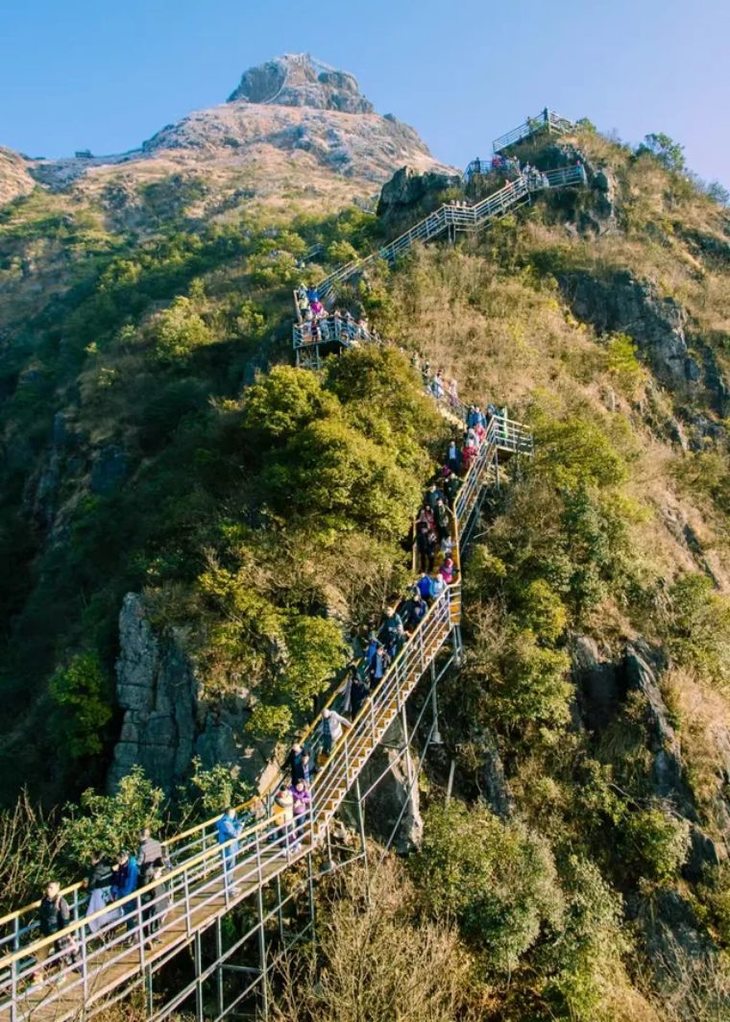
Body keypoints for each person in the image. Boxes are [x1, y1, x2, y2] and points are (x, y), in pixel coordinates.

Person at [33, 881, 77, 983]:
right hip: (45, 934)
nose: (49, 890)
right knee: (40, 958)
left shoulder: (61, 902)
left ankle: (62, 976)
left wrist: (65, 934)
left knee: (61, 957)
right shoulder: (44, 901)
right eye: (48, 887)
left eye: (52, 888)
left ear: (57, 889)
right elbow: (42, 918)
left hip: (57, 934)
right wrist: (41, 932)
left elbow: (65, 919)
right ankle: (38, 980)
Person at [85, 852, 121, 936]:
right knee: (111, 913)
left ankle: (105, 935)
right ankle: (111, 932)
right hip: (110, 892)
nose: (91, 861)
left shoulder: (96, 870)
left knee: (99, 915)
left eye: (92, 859)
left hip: (99, 895)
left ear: (96, 859)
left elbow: (91, 885)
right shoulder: (108, 866)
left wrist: (86, 887)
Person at [142, 860, 170, 947]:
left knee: (157, 917)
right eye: (159, 870)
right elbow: (148, 889)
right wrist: (155, 878)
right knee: (148, 919)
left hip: (157, 899)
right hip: (148, 900)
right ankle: (149, 940)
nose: (160, 872)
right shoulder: (147, 875)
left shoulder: (156, 873)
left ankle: (155, 937)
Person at [111, 850, 139, 932]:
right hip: (122, 893)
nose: (119, 862)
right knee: (127, 915)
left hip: (129, 895)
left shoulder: (131, 867)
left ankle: (133, 934)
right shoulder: (122, 866)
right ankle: (131, 933)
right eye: (118, 860)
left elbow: (130, 884)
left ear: (126, 857)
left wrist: (119, 894)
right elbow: (117, 880)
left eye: (121, 860)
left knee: (129, 915)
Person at [216, 808, 242, 892]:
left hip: (229, 848)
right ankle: (229, 888)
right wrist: (240, 826)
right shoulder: (226, 822)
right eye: (233, 813)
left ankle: (230, 886)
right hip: (228, 849)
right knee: (229, 867)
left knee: (230, 867)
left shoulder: (227, 821)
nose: (234, 815)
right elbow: (235, 834)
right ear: (229, 813)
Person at [289, 780, 312, 848]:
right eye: (297, 786)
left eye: (300, 786)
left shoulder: (305, 791)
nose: (299, 787)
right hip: (293, 811)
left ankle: (299, 842)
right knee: (292, 827)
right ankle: (292, 841)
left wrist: (301, 800)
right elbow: (288, 792)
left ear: (303, 786)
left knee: (300, 827)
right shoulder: (292, 790)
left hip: (301, 812)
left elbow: (309, 798)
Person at [272, 786, 295, 850]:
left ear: (287, 792)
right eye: (282, 793)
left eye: (284, 793)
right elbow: (283, 805)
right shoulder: (277, 798)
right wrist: (292, 805)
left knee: (289, 834)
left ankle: (290, 847)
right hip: (280, 820)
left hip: (289, 818)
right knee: (282, 835)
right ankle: (283, 848)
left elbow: (291, 804)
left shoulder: (290, 796)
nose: (283, 795)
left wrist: (291, 805)